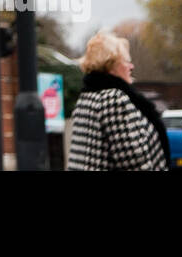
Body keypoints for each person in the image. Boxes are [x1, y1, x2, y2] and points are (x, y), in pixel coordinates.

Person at [67, 30, 170, 171]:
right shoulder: (114, 99)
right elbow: (134, 161)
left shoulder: (87, 98)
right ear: (111, 66)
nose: (131, 66)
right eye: (127, 61)